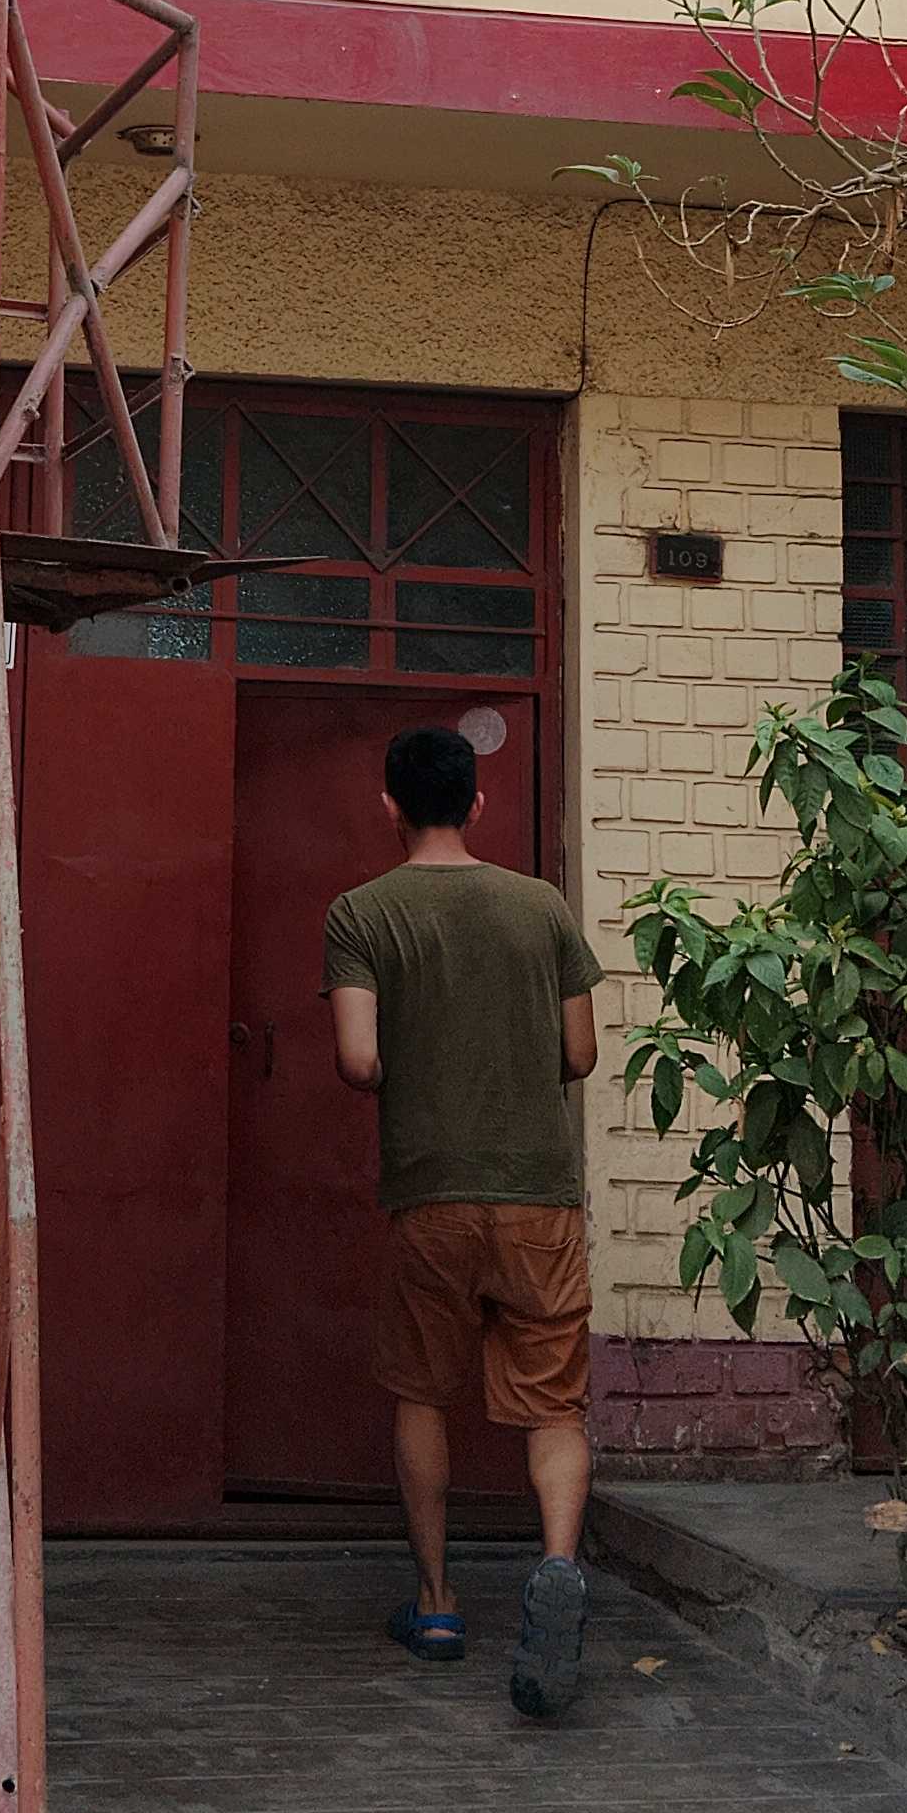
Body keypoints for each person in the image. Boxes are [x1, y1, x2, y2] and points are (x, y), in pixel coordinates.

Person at [323, 722, 605, 1720]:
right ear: (477, 803)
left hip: (431, 1191)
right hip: (539, 1193)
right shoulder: (542, 907)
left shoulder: (362, 912)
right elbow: (581, 1054)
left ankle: (438, 1604)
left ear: (389, 807)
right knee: (554, 1403)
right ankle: (558, 1565)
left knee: (422, 1390)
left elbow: (359, 1060)